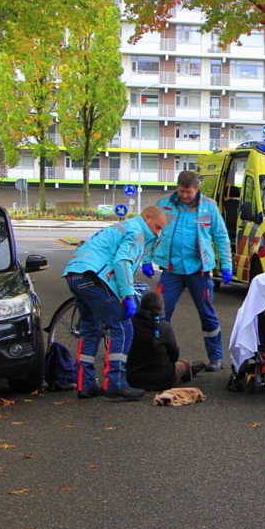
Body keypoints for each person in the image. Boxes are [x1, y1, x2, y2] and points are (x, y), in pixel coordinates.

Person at [63, 206, 167, 401]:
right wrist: (128, 296)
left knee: (90, 328)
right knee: (122, 327)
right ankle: (115, 384)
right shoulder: (137, 231)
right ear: (147, 218)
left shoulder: (123, 226)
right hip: (93, 276)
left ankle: (85, 385)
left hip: (75, 273)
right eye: (157, 227)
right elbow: (122, 262)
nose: (157, 232)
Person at [147, 170, 234, 372]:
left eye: (188, 192)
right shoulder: (163, 204)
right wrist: (146, 259)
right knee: (161, 313)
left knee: (207, 313)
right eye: (181, 191)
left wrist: (227, 266)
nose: (184, 195)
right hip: (172, 269)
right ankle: (160, 358)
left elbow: (221, 237)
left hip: (199, 270)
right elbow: (151, 231)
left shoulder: (209, 207)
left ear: (197, 189)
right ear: (177, 187)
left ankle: (216, 357)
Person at [126, 291, 206, 391]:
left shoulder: (130, 324)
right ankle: (189, 371)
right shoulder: (164, 327)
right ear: (161, 308)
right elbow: (174, 355)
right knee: (184, 363)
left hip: (133, 379)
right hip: (162, 379)